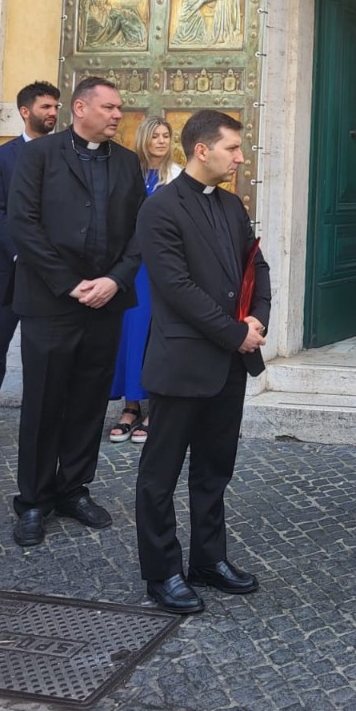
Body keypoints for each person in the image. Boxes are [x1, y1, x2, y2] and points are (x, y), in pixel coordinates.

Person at [135, 110, 271, 614]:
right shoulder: (160, 209)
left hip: (229, 365)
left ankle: (208, 561)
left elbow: (256, 266)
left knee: (214, 471)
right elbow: (177, 289)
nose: (239, 158)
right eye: (232, 149)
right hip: (182, 362)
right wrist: (237, 333)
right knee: (159, 475)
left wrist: (258, 320)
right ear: (201, 150)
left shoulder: (233, 206)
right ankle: (162, 572)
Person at [8, 77, 146, 547]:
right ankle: (33, 500)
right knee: (44, 402)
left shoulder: (128, 163)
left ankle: (74, 488)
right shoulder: (38, 156)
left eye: (120, 109)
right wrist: (70, 284)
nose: (117, 116)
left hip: (106, 303)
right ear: (80, 107)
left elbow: (139, 233)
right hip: (50, 302)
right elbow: (22, 224)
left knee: (89, 401)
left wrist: (114, 280)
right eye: (109, 107)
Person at [108, 117, 181, 445]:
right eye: (156, 135)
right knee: (132, 333)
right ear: (144, 139)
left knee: (159, 334)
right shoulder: (128, 173)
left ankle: (156, 407)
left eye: (166, 135)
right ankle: (131, 406)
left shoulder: (177, 176)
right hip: (132, 267)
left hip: (162, 266)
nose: (162, 141)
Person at [0, 82, 61, 419]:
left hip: (54, 276)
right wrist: (22, 252)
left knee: (51, 357)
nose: (52, 113)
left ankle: (48, 424)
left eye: (55, 107)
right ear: (25, 111)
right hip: (8, 273)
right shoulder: (2, 158)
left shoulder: (66, 155)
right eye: (45, 107)